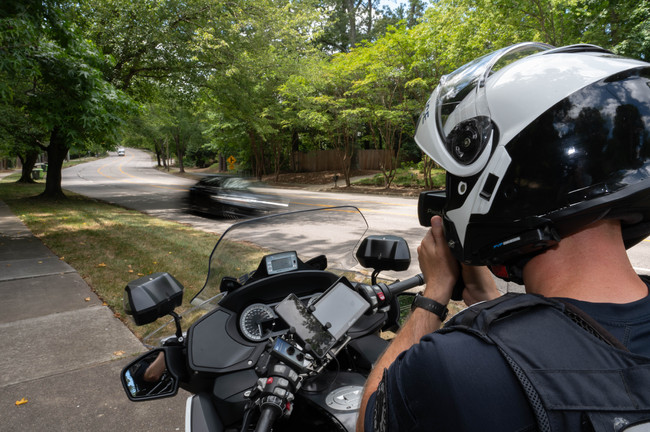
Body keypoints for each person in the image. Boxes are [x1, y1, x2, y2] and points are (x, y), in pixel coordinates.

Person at [358, 42, 650, 431]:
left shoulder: (457, 366)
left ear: (504, 180)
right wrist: (490, 302)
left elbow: (371, 420)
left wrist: (433, 295)